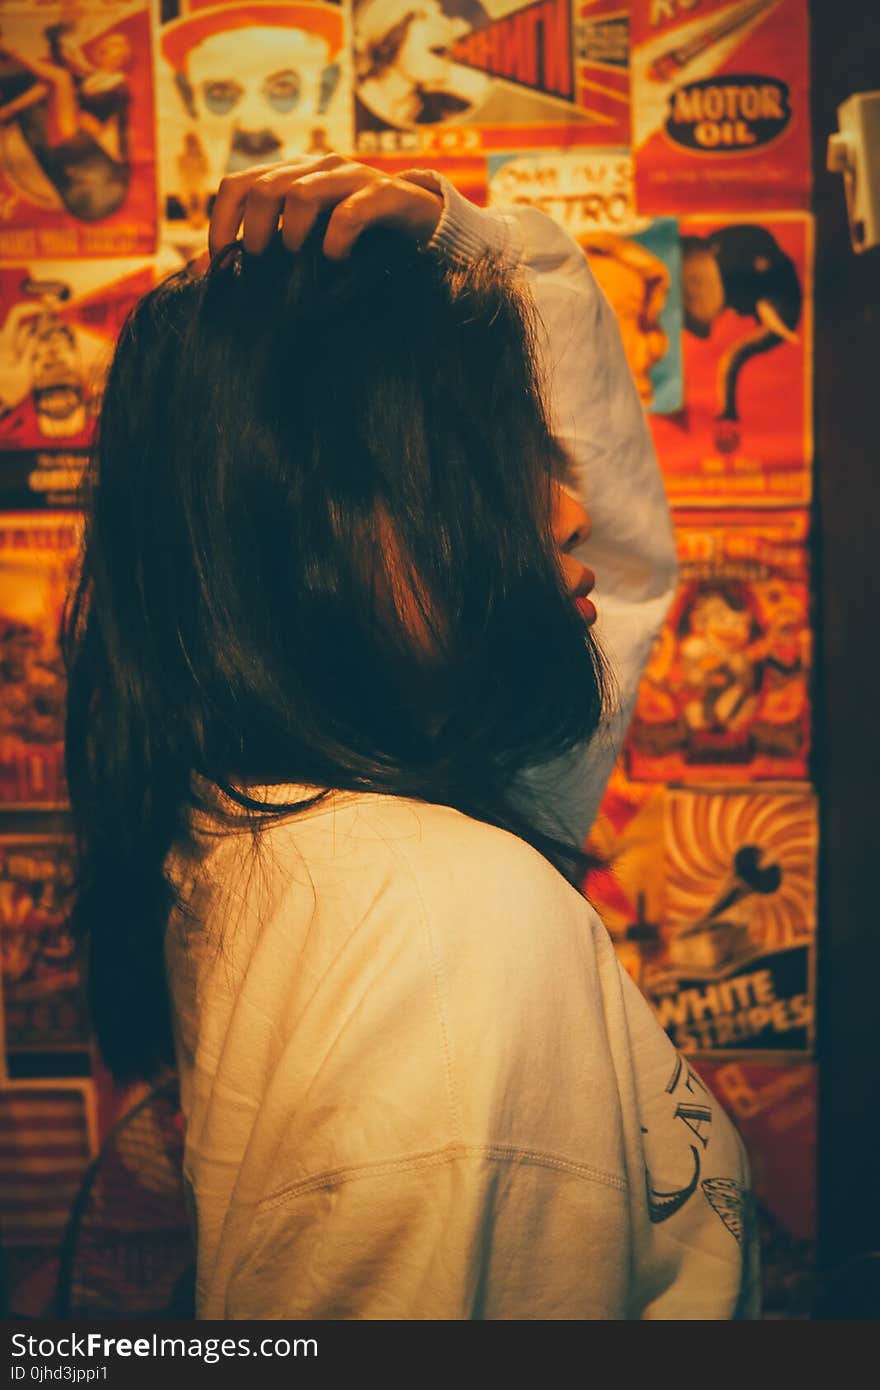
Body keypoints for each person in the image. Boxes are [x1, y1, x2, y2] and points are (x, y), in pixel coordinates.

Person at [63, 154, 758, 1318]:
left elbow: (614, 582)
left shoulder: (265, 829)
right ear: (316, 525)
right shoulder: (442, 923)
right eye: (492, 464)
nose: (568, 505)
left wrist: (476, 245)